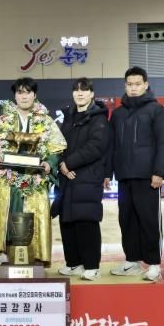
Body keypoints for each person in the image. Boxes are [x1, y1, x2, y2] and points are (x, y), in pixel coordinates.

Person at [0, 77, 66, 266]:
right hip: (8, 180)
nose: (24, 96)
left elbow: (56, 148)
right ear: (15, 96)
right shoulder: (2, 121)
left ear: (34, 95)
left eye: (28, 92)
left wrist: (49, 163)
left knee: (35, 217)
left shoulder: (46, 121)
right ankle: (11, 259)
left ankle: (35, 257)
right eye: (20, 92)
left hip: (34, 178)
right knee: (9, 214)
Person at [108, 66, 164, 282]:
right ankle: (132, 260)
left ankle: (154, 264)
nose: (133, 88)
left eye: (137, 84)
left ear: (146, 85)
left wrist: (159, 172)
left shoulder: (157, 111)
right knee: (126, 220)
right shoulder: (118, 114)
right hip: (124, 176)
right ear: (125, 86)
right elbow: (111, 146)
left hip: (148, 178)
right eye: (130, 84)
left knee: (149, 220)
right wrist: (108, 173)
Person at [52, 78, 110, 281]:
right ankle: (74, 263)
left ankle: (92, 266)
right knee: (67, 221)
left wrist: (69, 163)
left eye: (84, 90)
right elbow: (58, 144)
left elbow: (96, 147)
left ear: (92, 93)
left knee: (86, 221)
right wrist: (61, 164)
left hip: (87, 176)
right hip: (67, 177)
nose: (80, 93)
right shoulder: (68, 117)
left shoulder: (98, 118)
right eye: (76, 90)